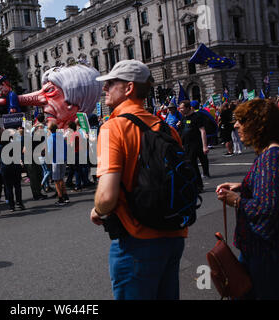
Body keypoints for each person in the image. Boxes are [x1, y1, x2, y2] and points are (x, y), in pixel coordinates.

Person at [90, 60, 187, 300]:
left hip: (136, 238)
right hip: (174, 234)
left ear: (129, 88)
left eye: (111, 84)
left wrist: (98, 210)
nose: (105, 89)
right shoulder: (167, 128)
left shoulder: (114, 127)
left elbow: (107, 196)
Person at [216, 98, 279, 299]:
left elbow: (268, 208)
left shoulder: (271, 157)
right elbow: (271, 188)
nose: (236, 125)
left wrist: (236, 200)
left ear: (258, 125)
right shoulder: (270, 153)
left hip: (264, 252)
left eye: (242, 121)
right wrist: (242, 186)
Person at [178, 100, 208, 193]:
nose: (180, 110)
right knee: (191, 166)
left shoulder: (196, 117)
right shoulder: (183, 118)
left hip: (196, 144)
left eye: (182, 108)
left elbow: (202, 131)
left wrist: (205, 146)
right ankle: (195, 184)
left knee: (194, 166)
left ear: (188, 108)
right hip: (186, 145)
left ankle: (199, 185)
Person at [47, 122, 69, 206]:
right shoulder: (61, 137)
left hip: (55, 160)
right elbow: (65, 147)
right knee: (61, 179)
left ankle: (60, 198)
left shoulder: (50, 138)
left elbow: (50, 151)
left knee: (56, 180)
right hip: (63, 159)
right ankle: (66, 196)